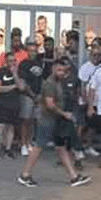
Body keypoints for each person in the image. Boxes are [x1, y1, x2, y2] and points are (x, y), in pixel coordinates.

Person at [17, 58, 91, 187]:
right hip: (46, 120)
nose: (61, 72)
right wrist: (65, 114)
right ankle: (25, 175)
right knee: (38, 147)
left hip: (54, 120)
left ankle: (74, 177)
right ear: (53, 69)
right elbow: (50, 104)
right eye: (59, 69)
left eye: (63, 70)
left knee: (60, 147)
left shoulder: (58, 82)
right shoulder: (50, 83)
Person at [0, 52, 22, 161]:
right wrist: (13, 86)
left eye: (13, 61)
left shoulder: (19, 73)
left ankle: (8, 149)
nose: (11, 63)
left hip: (14, 103)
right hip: (0, 103)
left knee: (10, 127)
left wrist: (15, 74)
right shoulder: (0, 72)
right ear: (5, 61)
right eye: (9, 61)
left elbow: (22, 87)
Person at [18, 37, 44, 156]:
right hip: (27, 95)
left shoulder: (40, 63)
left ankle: (29, 143)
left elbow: (43, 80)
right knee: (26, 120)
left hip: (38, 96)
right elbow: (23, 82)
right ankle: (23, 144)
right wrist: (33, 95)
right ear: (27, 51)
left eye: (35, 50)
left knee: (34, 121)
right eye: (31, 50)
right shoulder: (23, 64)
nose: (33, 53)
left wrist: (40, 95)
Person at [77, 46, 101, 158]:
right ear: (90, 55)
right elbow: (81, 86)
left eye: (98, 55)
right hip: (85, 102)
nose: (96, 57)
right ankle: (77, 148)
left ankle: (88, 146)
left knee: (93, 126)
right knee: (82, 126)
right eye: (94, 55)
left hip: (97, 102)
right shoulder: (85, 68)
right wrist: (87, 102)